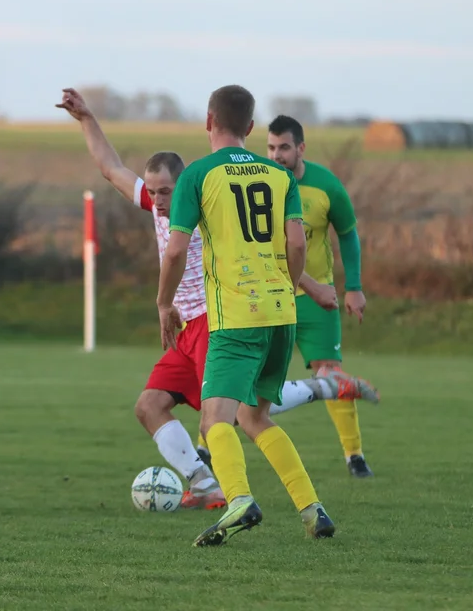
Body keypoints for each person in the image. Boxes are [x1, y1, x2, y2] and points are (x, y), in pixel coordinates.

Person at [58, 88, 373, 511]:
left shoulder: (204, 200)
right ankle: (204, 482)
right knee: (150, 406)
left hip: (216, 320)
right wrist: (86, 119)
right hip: (182, 328)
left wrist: (313, 286)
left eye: (166, 191)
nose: (159, 201)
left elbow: (267, 249)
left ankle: (324, 386)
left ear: (183, 185)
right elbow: (110, 167)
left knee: (246, 415)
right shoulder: (157, 205)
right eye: (154, 193)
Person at [157, 84, 335, 547]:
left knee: (214, 418)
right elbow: (297, 244)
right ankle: (311, 508)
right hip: (281, 312)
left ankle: (238, 499)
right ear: (253, 128)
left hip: (236, 316)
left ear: (208, 121)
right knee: (256, 418)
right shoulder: (281, 177)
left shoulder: (197, 175)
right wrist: (288, 286)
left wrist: (164, 302)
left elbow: (176, 250)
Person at [266, 114, 377, 477]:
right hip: (269, 296)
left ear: (301, 148)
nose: (276, 155)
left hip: (317, 300)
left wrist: (354, 287)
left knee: (331, 373)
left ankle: (354, 456)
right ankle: (206, 451)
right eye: (270, 147)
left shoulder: (327, 185)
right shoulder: (260, 184)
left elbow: (348, 233)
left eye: (283, 147)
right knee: (243, 371)